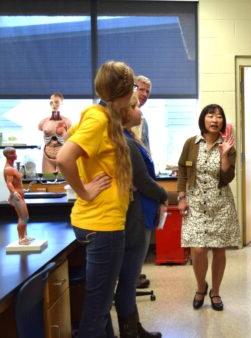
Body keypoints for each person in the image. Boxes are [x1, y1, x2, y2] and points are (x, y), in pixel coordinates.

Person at [57, 60, 134, 337]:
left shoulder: (100, 116)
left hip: (99, 222)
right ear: (125, 91)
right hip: (102, 226)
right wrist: (84, 190)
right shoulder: (98, 119)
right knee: (96, 311)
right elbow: (64, 158)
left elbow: (67, 148)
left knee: (100, 306)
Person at [114, 92, 167, 338]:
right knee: (128, 278)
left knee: (131, 276)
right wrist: (164, 195)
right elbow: (143, 181)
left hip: (142, 212)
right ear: (124, 111)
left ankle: (135, 327)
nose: (140, 111)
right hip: (135, 216)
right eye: (135, 106)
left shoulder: (130, 139)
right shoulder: (124, 141)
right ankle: (129, 332)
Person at [177, 104, 238, 311]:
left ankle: (216, 291)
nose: (215, 120)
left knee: (219, 250)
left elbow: (228, 177)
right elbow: (182, 171)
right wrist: (181, 197)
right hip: (194, 203)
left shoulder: (228, 145)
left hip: (220, 203)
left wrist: (224, 156)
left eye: (219, 117)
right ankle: (201, 286)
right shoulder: (191, 144)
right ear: (203, 119)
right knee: (198, 249)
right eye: (211, 116)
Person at [133, 75, 153, 289]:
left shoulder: (143, 120)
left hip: (144, 182)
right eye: (141, 89)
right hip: (131, 186)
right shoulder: (118, 119)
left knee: (145, 232)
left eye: (148, 91)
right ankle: (131, 274)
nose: (144, 94)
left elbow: (145, 150)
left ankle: (135, 273)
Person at [3, 147, 33, 245]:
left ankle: (25, 236)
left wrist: (21, 190)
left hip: (19, 195)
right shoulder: (8, 169)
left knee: (24, 217)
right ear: (8, 155)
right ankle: (21, 238)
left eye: (15, 153)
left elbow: (16, 183)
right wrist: (14, 192)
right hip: (17, 197)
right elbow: (9, 183)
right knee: (23, 217)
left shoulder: (12, 167)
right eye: (13, 153)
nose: (15, 155)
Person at [38, 92, 72, 173]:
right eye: (51, 102)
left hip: (62, 155)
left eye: (56, 102)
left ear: (61, 103)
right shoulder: (43, 122)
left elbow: (71, 140)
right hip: (47, 156)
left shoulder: (67, 122)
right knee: (48, 180)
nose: (54, 104)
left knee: (62, 182)